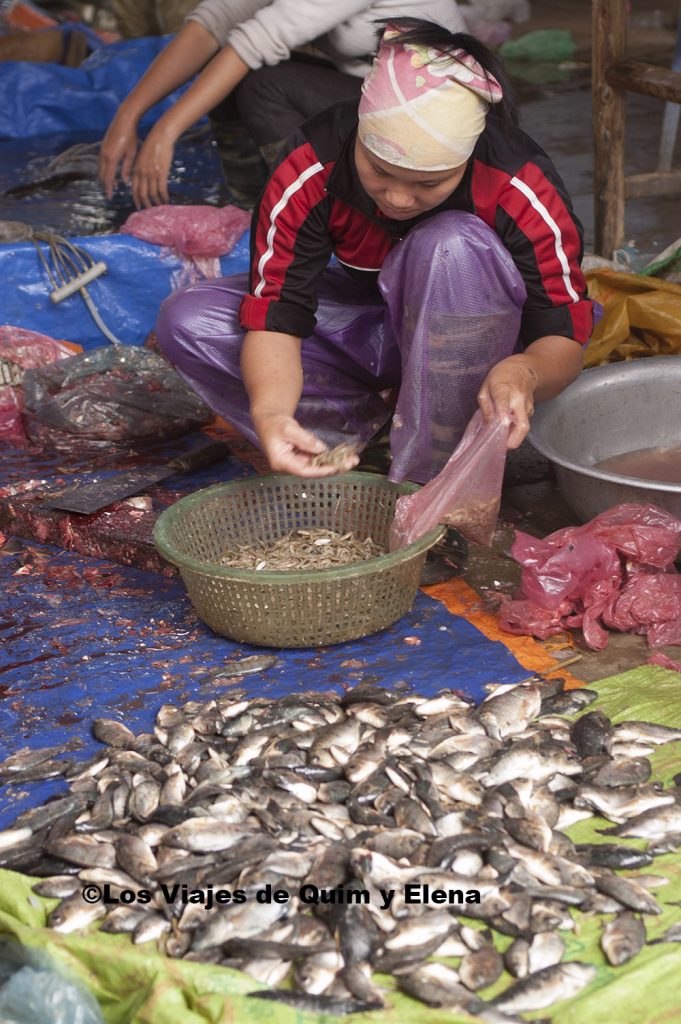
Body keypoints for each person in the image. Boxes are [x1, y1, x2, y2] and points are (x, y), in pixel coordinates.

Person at [156, 20, 594, 496]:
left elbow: (563, 337)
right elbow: (276, 317)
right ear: (360, 136)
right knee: (190, 318)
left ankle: (438, 480)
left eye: (429, 183)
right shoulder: (312, 165)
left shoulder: (518, 184)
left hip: (477, 358)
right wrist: (272, 412)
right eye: (380, 172)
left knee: (452, 245)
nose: (399, 199)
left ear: (464, 160)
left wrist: (523, 372)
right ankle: (351, 442)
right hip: (377, 327)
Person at [98, 0, 466, 208]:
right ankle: (250, 207)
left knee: (264, 84)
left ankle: (320, 217)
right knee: (227, 75)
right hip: (381, 90)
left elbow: (255, 41)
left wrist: (166, 130)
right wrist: (127, 116)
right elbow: (214, 23)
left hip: (436, 107)